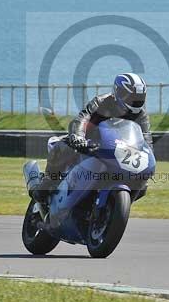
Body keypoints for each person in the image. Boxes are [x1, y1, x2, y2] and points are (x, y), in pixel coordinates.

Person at [30, 72, 152, 204]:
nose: (135, 101)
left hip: (117, 152)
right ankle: (46, 185)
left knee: (143, 185)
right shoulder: (102, 102)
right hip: (90, 144)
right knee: (62, 148)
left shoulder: (141, 116)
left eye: (139, 97)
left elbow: (146, 140)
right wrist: (78, 137)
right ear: (119, 92)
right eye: (131, 97)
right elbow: (82, 118)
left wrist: (148, 159)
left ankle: (112, 207)